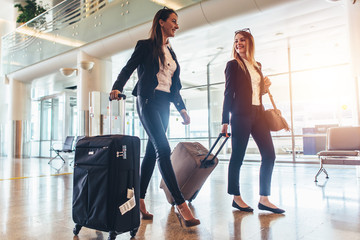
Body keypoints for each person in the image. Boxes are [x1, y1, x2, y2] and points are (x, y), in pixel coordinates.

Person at [109, 7, 200, 227]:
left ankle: (139, 200)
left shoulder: (171, 52)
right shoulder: (145, 46)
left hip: (164, 105)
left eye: (177, 22)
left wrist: (183, 109)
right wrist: (116, 87)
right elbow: (128, 68)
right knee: (163, 149)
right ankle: (181, 204)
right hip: (147, 101)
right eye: (173, 21)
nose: (176, 25)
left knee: (151, 153)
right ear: (160, 22)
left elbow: (174, 86)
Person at [221, 28, 285, 214]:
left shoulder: (257, 65)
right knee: (237, 157)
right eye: (236, 41)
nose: (238, 43)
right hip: (241, 115)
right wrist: (225, 120)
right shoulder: (233, 65)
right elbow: (228, 93)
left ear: (250, 42)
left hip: (259, 114)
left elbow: (255, 92)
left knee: (269, 155)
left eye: (242, 40)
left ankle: (264, 198)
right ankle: (236, 197)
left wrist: (264, 87)